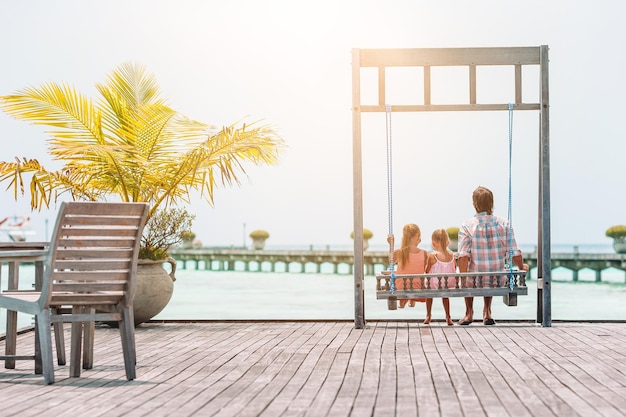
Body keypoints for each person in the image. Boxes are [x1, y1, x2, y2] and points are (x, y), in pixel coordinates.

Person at [457, 186, 529, 326]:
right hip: (497, 280)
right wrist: (522, 267)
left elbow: (463, 257)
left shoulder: (467, 225)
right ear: (492, 204)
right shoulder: (504, 224)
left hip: (474, 281)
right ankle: (487, 311)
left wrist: (462, 278)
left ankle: (469, 312)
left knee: (469, 275)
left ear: (475, 204)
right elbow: (515, 252)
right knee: (490, 269)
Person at [390, 223, 427, 309]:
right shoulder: (424, 253)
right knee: (415, 279)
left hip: (400, 287)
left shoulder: (399, 252)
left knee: (401, 278)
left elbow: (390, 261)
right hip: (418, 286)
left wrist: (391, 245)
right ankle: (412, 299)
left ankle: (403, 300)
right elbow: (425, 269)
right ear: (417, 237)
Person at [424, 228, 456, 325]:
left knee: (429, 292)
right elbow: (454, 268)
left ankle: (428, 315)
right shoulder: (451, 255)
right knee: (445, 295)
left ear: (433, 243)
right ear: (448, 242)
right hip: (448, 284)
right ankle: (448, 317)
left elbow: (427, 270)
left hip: (434, 284)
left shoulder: (432, 256)